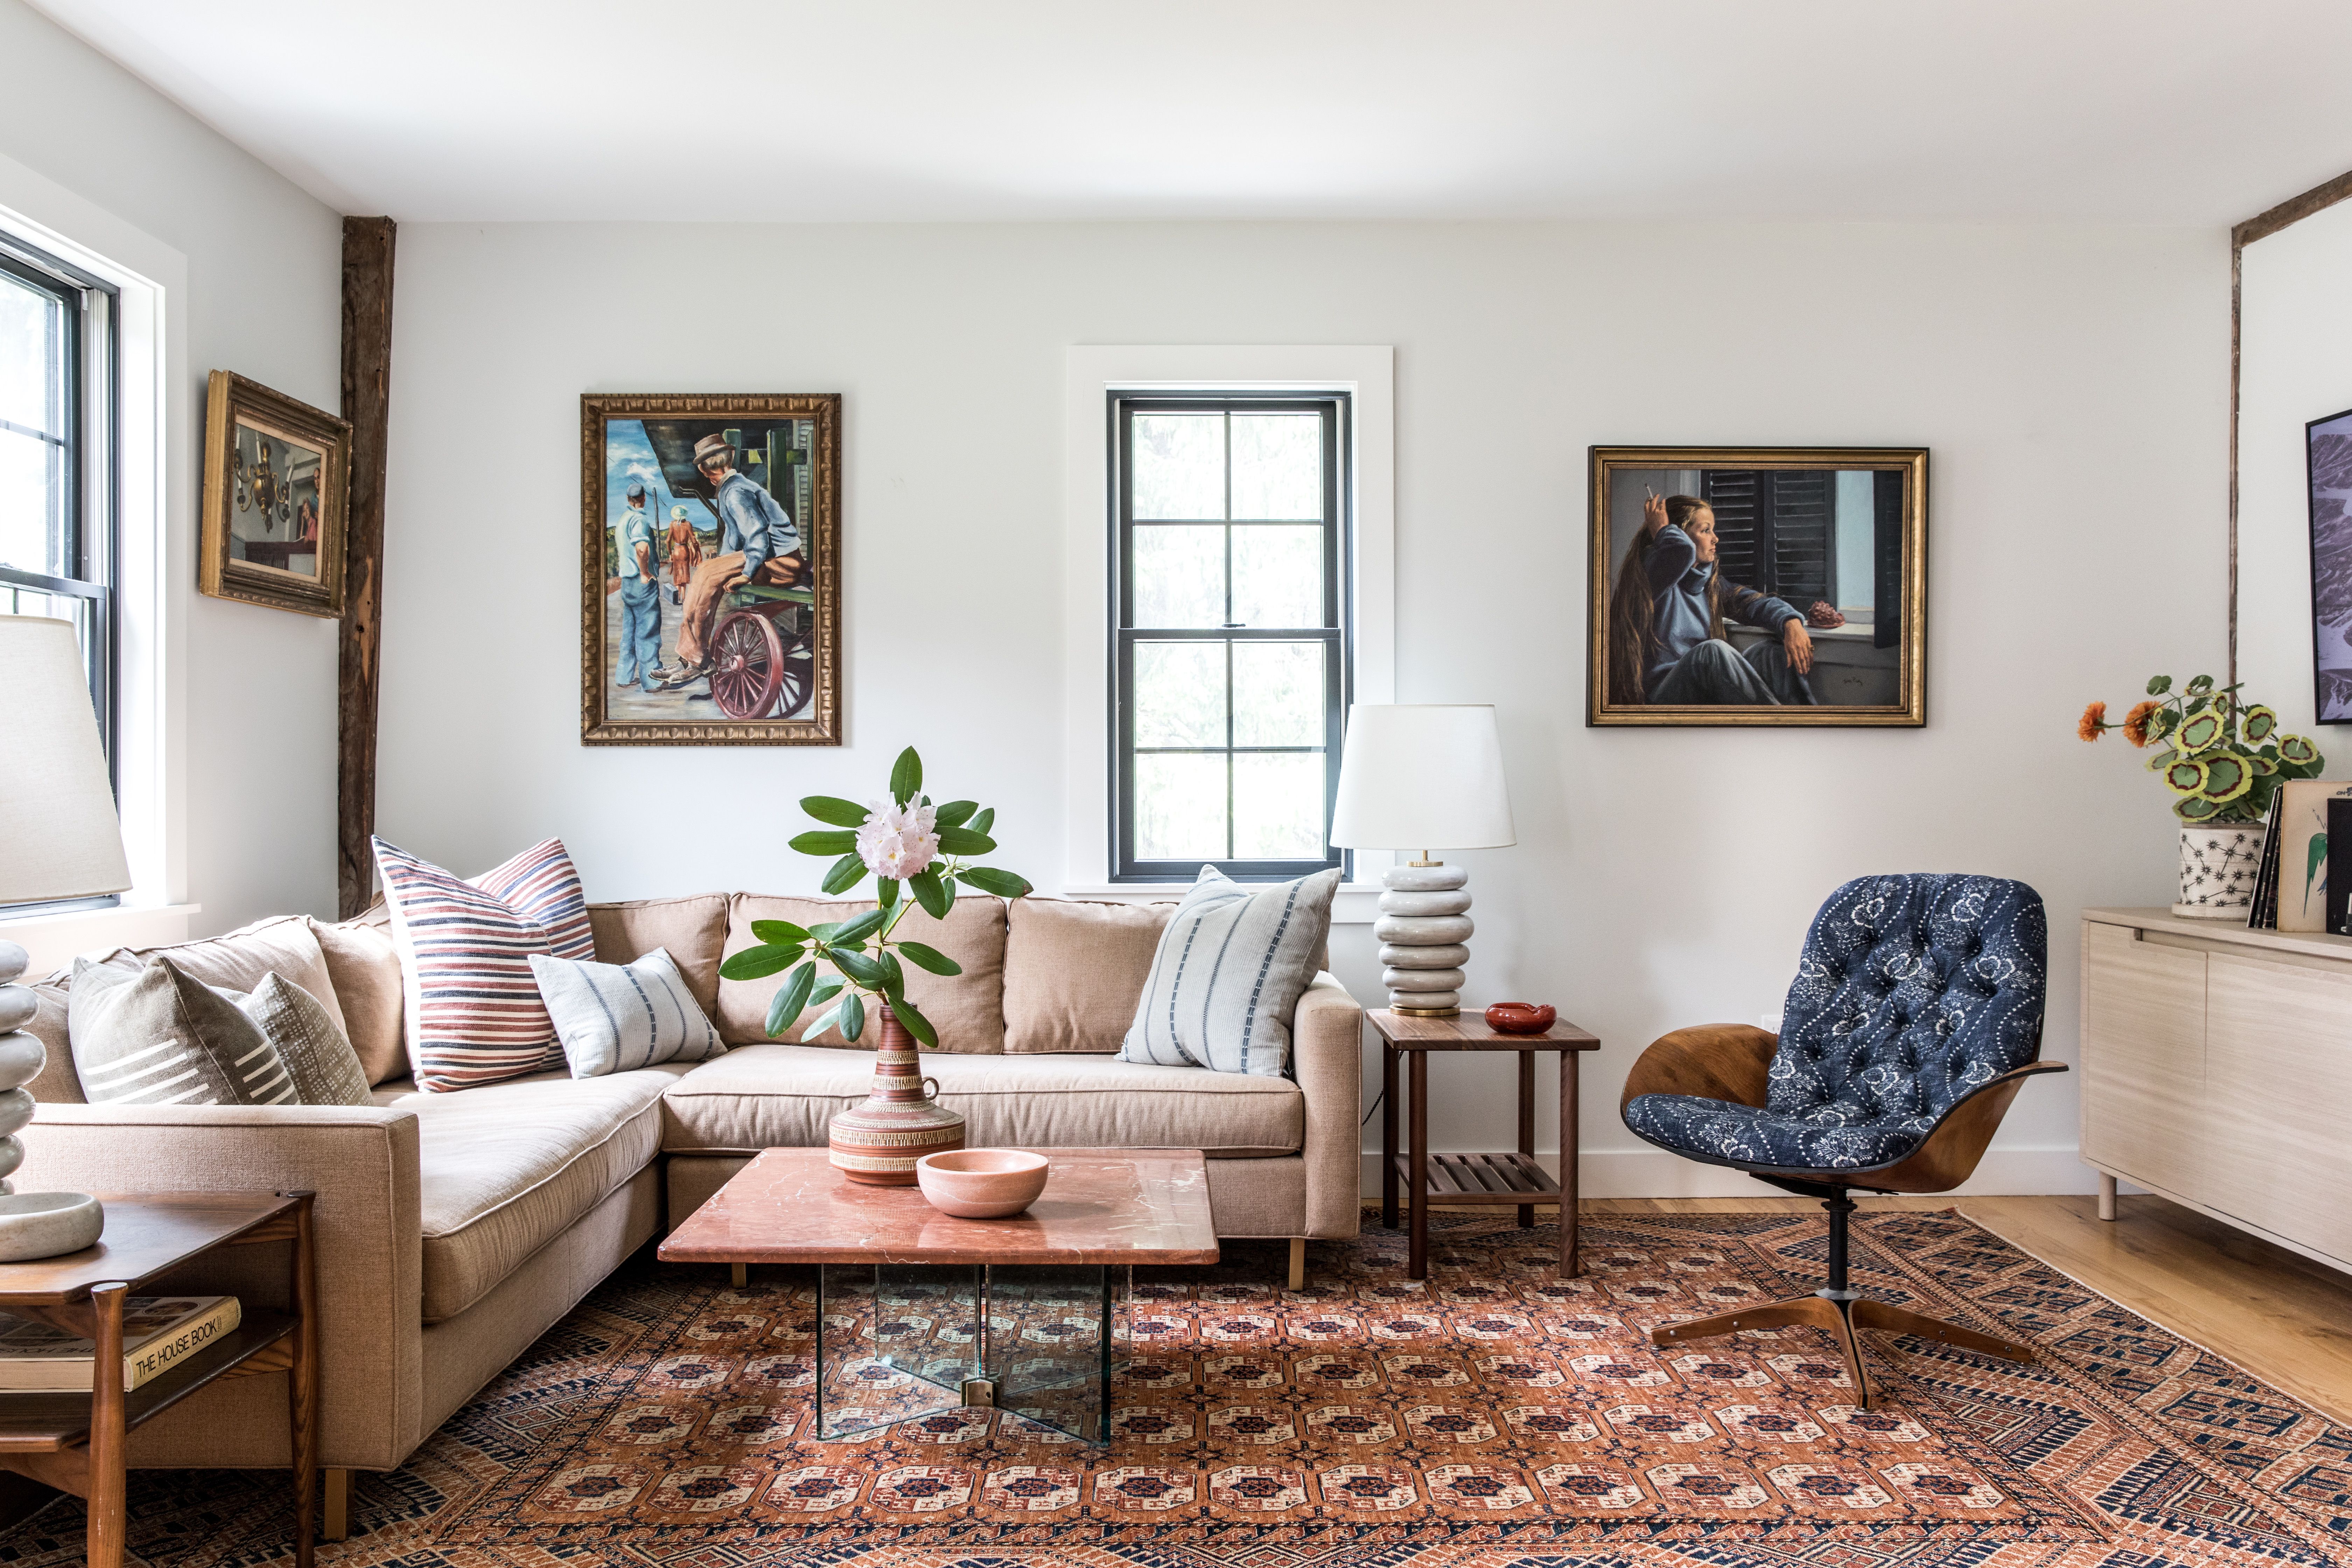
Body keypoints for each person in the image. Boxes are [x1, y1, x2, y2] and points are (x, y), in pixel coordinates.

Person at [1606, 492, 1816, 705]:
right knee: (1712, 651)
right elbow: (1681, 552)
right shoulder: (1651, 577)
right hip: (1662, 696)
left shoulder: (1707, 584)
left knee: (1771, 654)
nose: (1716, 538)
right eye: (1706, 530)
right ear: (1679, 533)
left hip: (1700, 689)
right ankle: (1779, 728)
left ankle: (1805, 725)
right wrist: (1661, 530)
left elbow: (1752, 603)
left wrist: (1791, 623)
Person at [659, 433, 806, 690]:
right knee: (708, 573)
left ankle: (697, 661)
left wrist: (746, 574)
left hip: (781, 562)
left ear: (705, 470)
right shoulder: (733, 488)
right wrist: (725, 565)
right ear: (728, 460)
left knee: (705, 573)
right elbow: (735, 537)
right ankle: (689, 658)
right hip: (775, 559)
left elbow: (757, 535)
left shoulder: (736, 491)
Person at [612, 483, 662, 690]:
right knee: (648, 631)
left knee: (629, 630)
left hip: (627, 583)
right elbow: (642, 549)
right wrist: (645, 573)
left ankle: (624, 676)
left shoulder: (623, 520)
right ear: (644, 499)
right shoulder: (640, 519)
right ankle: (651, 680)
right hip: (641, 583)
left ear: (627, 499)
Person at [664, 503, 701, 607]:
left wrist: (670, 554)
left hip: (676, 551)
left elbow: (668, 541)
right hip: (685, 550)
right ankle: (684, 598)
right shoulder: (688, 525)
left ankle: (677, 596)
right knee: (685, 572)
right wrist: (696, 545)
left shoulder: (672, 524)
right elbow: (693, 540)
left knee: (677, 573)